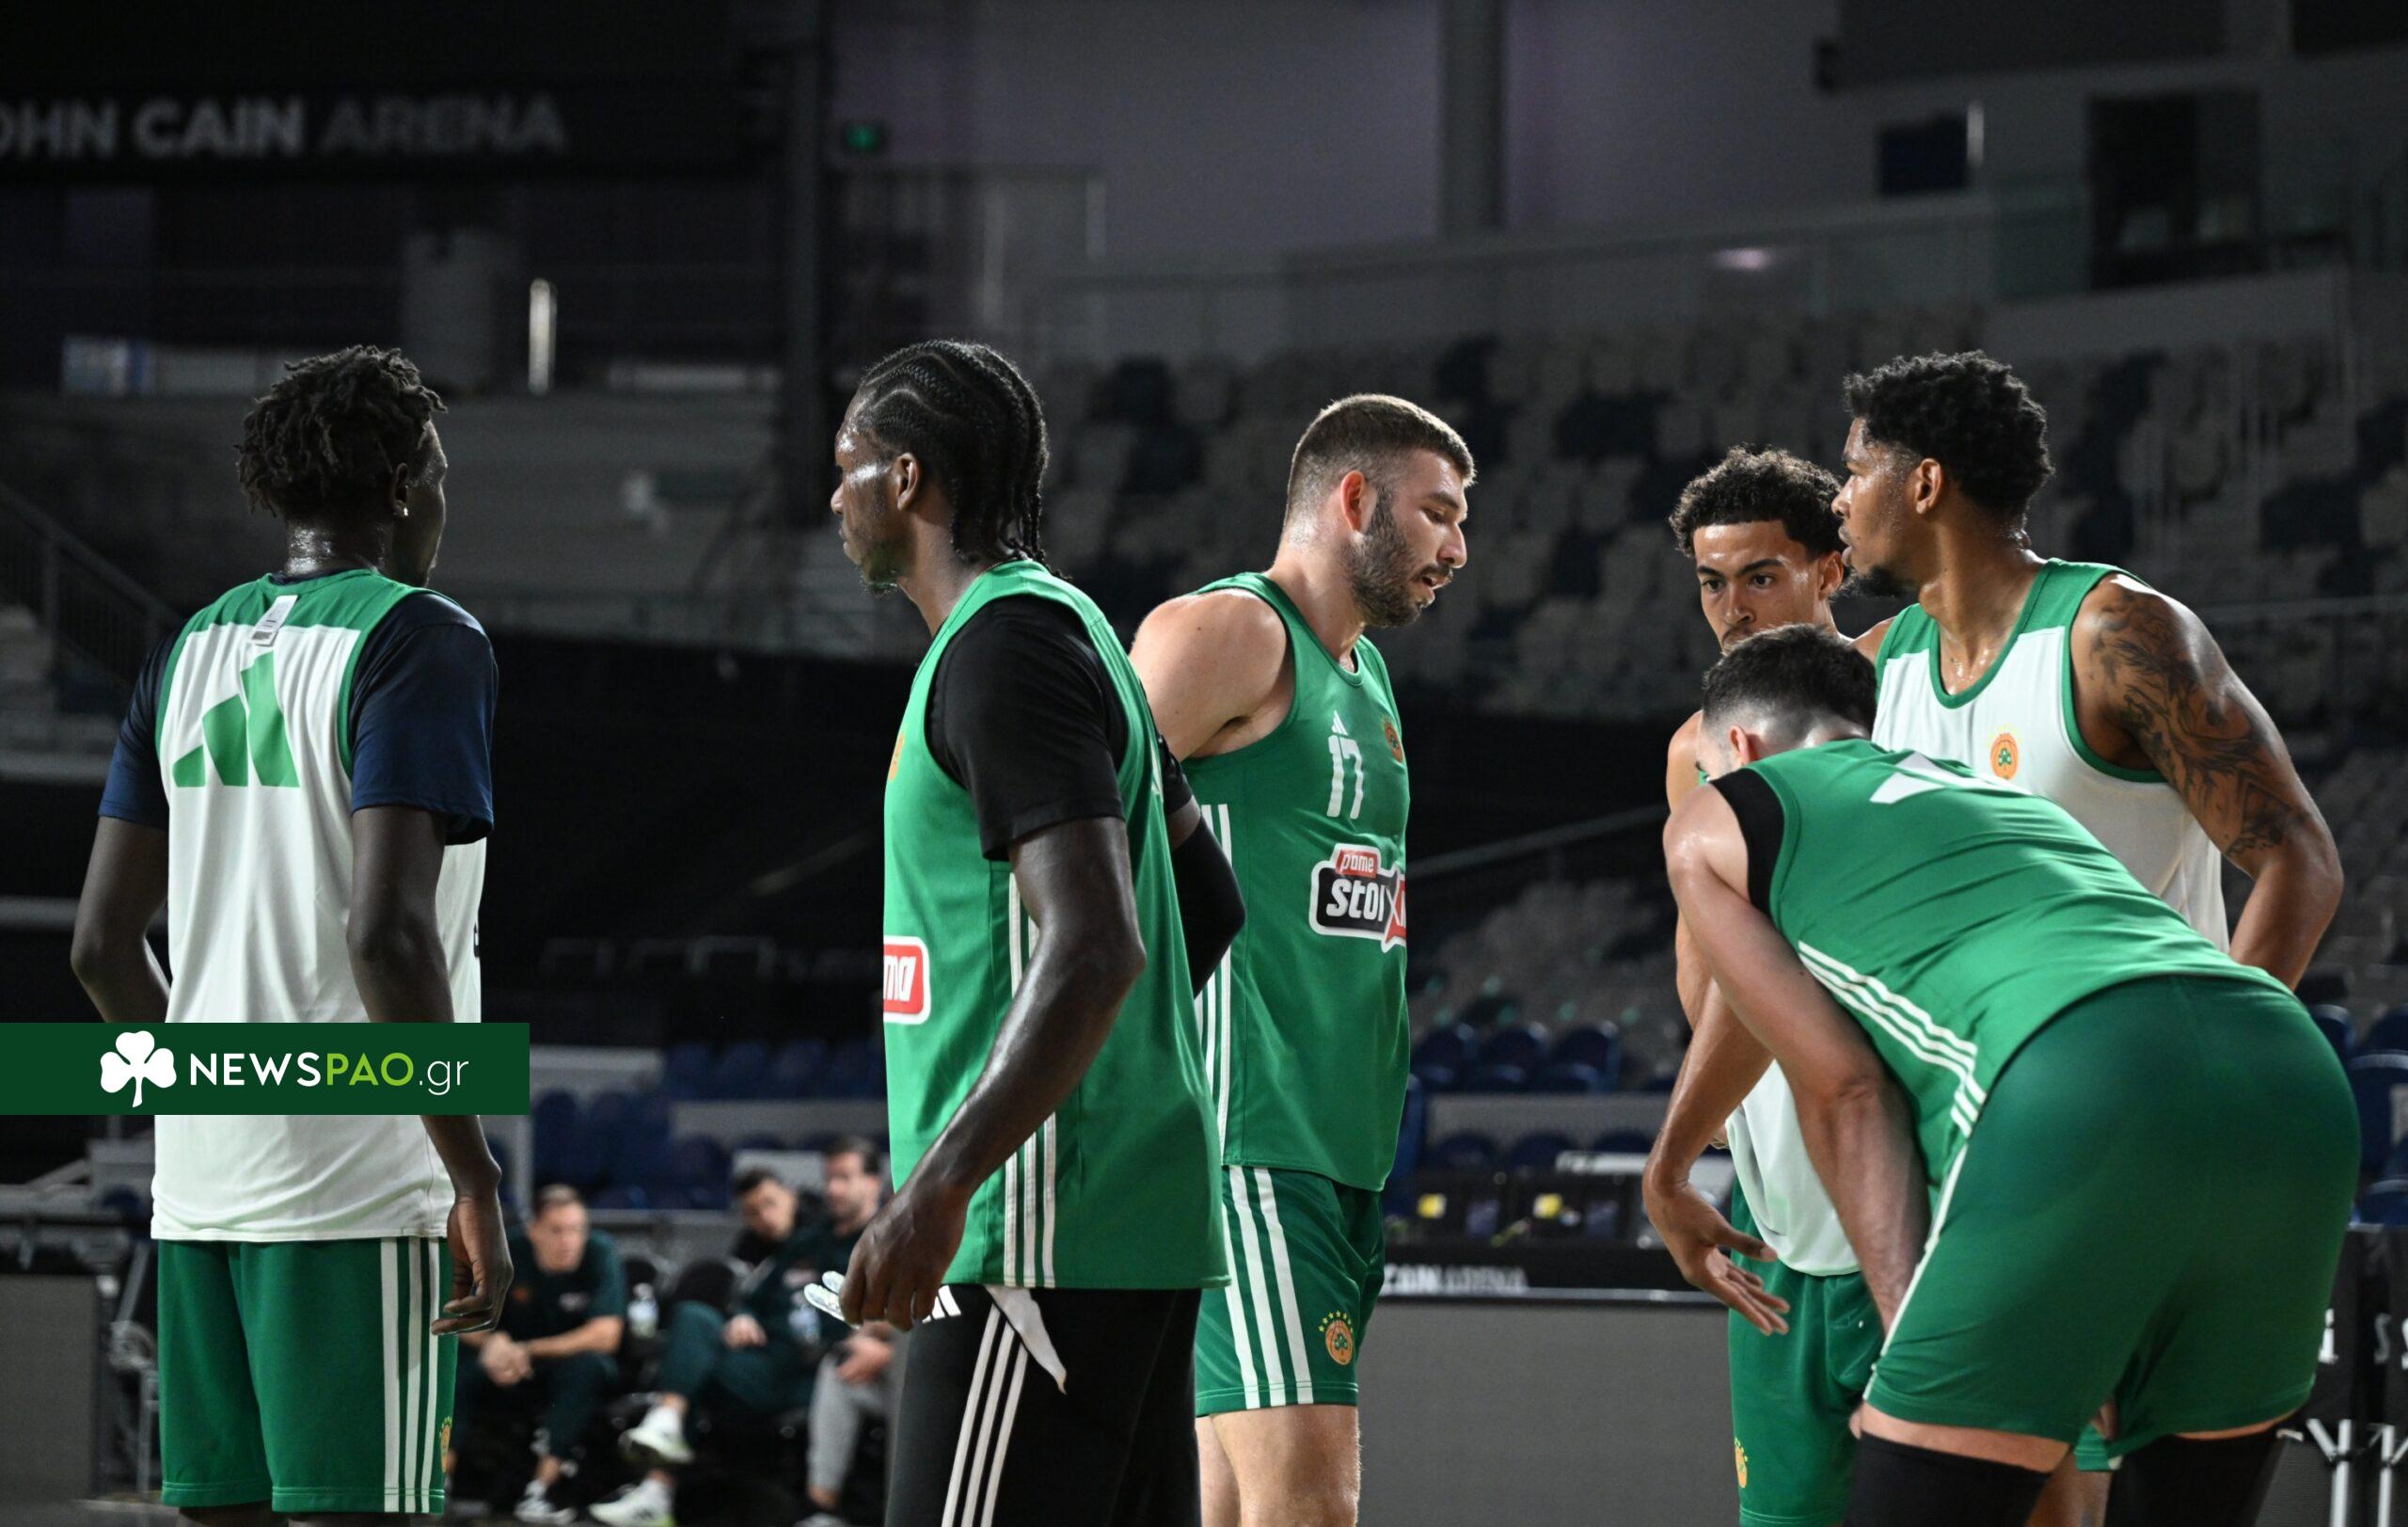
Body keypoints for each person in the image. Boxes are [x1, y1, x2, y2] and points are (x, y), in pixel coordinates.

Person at [1663, 625, 2355, 1527]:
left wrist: (1914, 1343)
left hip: (2080, 1076)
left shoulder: (1720, 813)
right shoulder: (1992, 797)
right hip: (2291, 1077)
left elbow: (1848, 1089)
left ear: (1740, 749)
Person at [1833, 350, 2343, 1518]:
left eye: (1854, 470)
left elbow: (2299, 859)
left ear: (1923, 483)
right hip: (1989, 1147)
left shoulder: (2112, 633)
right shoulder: (1870, 674)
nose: (1838, 499)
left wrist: (2203, 1075)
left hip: (2131, 1126)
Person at [71, 344, 512, 1522]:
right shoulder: (421, 637)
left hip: (199, 1188)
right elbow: (387, 935)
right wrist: (471, 1172)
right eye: (440, 473)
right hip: (356, 1183)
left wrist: (209, 1097)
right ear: (405, 486)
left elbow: (100, 948)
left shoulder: (187, 648)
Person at [828, 339, 1244, 1527]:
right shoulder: (1073, 633)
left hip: (1032, 1236)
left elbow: (1098, 945)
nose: (835, 497)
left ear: (907, 478)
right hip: (1111, 1221)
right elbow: (1204, 904)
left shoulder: (1000, 652)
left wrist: (939, 1186)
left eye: (847, 467)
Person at [1127, 393, 1472, 1527]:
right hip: (1247, 1137)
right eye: (1437, 515)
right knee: (1311, 1506)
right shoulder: (1230, 631)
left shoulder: (1364, 676)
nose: (1456, 551)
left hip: (1339, 1146)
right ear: (1355, 499)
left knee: (1232, 1506)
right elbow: (1071, 830)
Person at [1637, 447, 1877, 1527]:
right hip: (1775, 1186)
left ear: (1831, 569)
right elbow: (1706, 963)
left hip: (1900, 1181)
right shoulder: (1693, 749)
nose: (1732, 608)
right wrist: (1719, 1125)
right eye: (1711, 582)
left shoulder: (1900, 689)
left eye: (1761, 577)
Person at [594, 1158, 871, 1527]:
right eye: (831, 1179)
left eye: (770, 1204)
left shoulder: (865, 1248)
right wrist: (743, 1315)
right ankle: (666, 1426)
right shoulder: (797, 1245)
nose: (765, 1217)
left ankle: (658, 1485)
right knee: (694, 1317)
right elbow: (751, 1299)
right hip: (762, 1359)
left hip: (807, 1369)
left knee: (693, 1374)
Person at [452, 1186, 626, 1523]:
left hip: (561, 1364)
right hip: (505, 1363)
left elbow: (607, 1335)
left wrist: (527, 1349)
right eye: (557, 1230)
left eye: (577, 1229)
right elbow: (458, 1316)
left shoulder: (600, 1252)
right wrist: (491, 1344)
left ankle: (542, 1490)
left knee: (592, 1368)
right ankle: (438, 1482)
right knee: (455, 1366)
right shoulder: (507, 1250)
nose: (568, 1241)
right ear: (534, 1231)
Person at [798, 1140, 897, 1527]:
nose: (832, 1189)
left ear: (874, 1182)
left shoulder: (897, 1236)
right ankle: (821, 1508)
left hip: (912, 1367)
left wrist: (892, 1350)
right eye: (829, 1179)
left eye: (844, 1177)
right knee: (839, 1368)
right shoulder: (815, 1237)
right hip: (847, 1358)